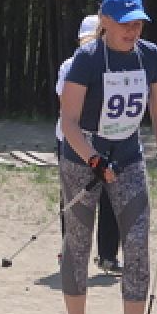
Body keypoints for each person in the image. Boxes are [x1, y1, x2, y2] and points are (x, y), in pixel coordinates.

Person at [56, 0, 157, 314]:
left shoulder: (151, 56)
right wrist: (93, 158)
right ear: (106, 22)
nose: (133, 30)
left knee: (137, 244)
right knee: (77, 243)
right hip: (83, 157)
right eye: (125, 23)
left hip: (128, 157)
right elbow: (69, 122)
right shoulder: (88, 59)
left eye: (138, 22)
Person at [55, 14, 122, 273]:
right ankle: (69, 251)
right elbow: (68, 105)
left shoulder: (116, 63)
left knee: (110, 195)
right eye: (87, 39)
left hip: (108, 138)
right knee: (73, 199)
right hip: (71, 140)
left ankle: (108, 255)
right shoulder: (70, 65)